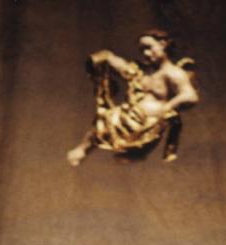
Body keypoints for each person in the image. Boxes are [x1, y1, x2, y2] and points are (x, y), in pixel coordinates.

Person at [66, 29, 198, 166]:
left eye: (149, 48)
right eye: (142, 50)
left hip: (148, 124)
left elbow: (190, 96)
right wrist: (107, 57)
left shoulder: (173, 73)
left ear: (163, 44)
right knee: (104, 120)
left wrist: (167, 107)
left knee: (110, 122)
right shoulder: (144, 72)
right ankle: (83, 149)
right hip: (129, 116)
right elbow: (125, 68)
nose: (146, 53)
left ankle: (133, 152)